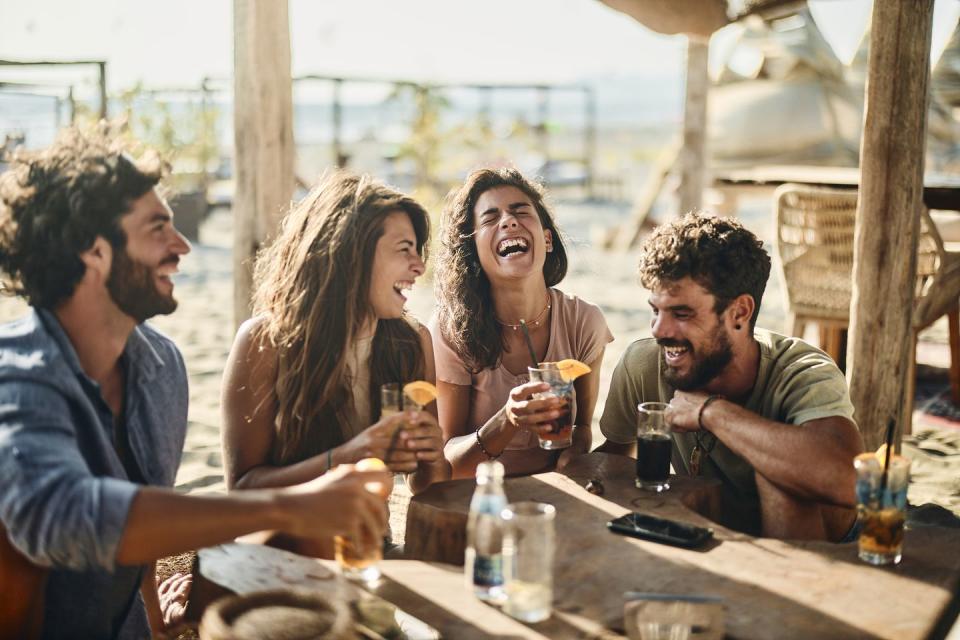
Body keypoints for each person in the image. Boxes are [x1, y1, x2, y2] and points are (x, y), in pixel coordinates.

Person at [0, 127, 391, 639]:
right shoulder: (19, 379)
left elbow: (138, 522)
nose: (181, 244)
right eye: (157, 228)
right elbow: (70, 519)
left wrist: (156, 622)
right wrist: (297, 504)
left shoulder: (163, 368)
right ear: (93, 251)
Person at [220, 170, 451, 557]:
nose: (418, 267)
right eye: (404, 249)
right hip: (283, 552)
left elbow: (430, 486)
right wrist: (348, 457)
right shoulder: (265, 342)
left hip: (369, 550)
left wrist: (432, 458)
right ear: (352, 253)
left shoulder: (412, 343)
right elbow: (242, 490)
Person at [596, 213, 864, 541]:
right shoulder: (645, 362)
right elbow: (613, 460)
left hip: (825, 550)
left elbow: (848, 482)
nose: (659, 330)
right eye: (656, 310)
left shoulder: (802, 370)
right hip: (713, 538)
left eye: (682, 314)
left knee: (779, 476)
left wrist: (711, 412)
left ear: (739, 313)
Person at [432, 167, 612, 478]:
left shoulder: (584, 321)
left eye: (520, 211)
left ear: (547, 239)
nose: (509, 221)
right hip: (480, 501)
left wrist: (572, 456)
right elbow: (448, 462)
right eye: (490, 218)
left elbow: (582, 428)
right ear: (473, 253)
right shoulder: (452, 330)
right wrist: (507, 420)